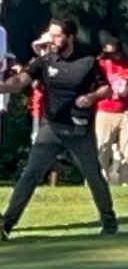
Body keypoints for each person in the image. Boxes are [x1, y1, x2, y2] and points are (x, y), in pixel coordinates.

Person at [0, 17, 119, 238]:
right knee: (30, 175)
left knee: (93, 175)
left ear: (69, 37)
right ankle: (6, 225)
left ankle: (109, 222)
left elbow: (107, 90)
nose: (52, 40)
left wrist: (91, 97)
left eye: (56, 35)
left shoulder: (87, 61)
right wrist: (2, 87)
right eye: (50, 34)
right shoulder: (45, 61)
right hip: (51, 128)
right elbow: (19, 81)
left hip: (78, 131)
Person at [94, 36, 128, 185]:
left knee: (126, 149)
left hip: (124, 111)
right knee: (103, 148)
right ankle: (100, 181)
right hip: (104, 110)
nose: (112, 55)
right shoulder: (100, 65)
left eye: (114, 52)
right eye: (108, 52)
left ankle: (124, 181)